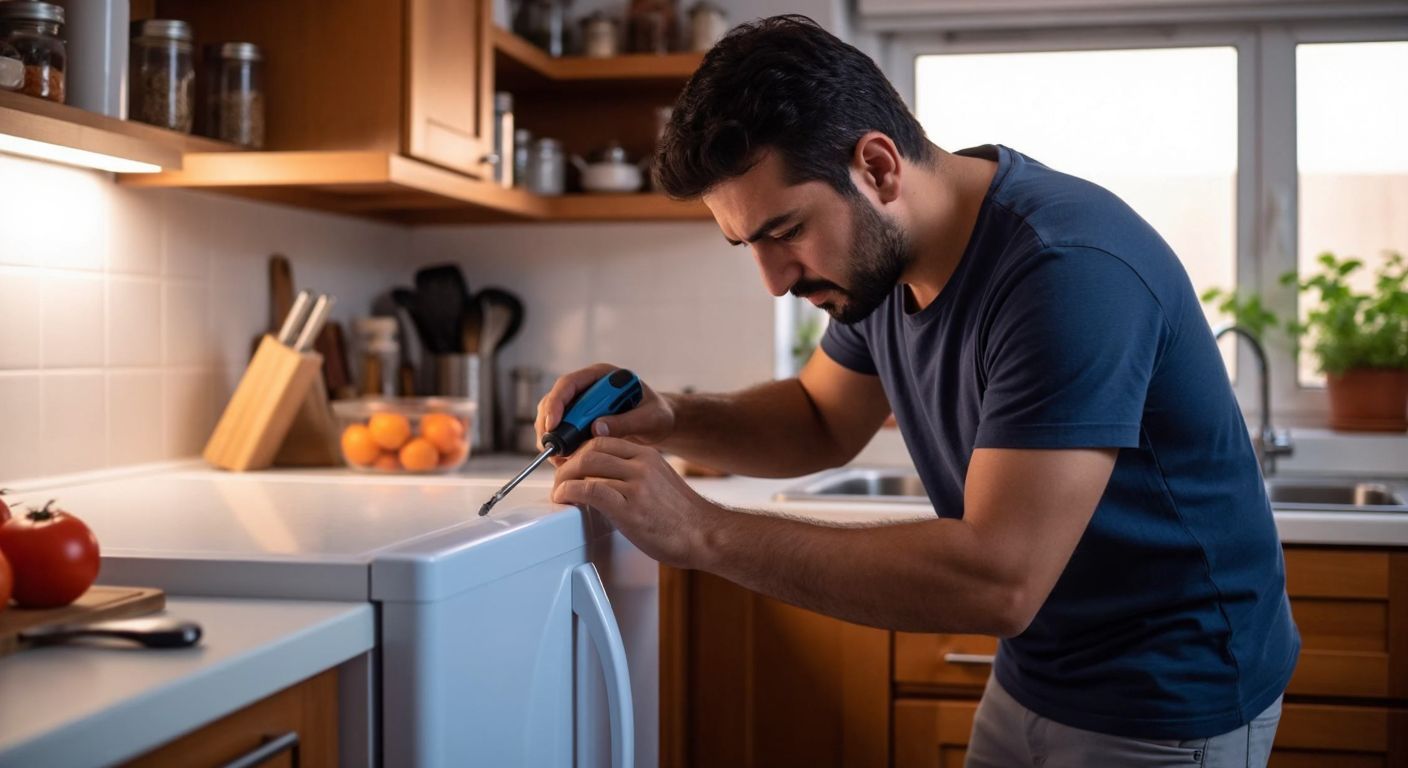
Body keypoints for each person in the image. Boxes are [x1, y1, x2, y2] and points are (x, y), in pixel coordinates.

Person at [536, 15, 1298, 767]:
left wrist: (700, 530)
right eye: (748, 246)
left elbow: (998, 578)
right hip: (1037, 676)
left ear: (877, 167)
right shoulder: (883, 267)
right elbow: (816, 419)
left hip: (1167, 700)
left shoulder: (1066, 271)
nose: (774, 280)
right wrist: (668, 416)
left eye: (786, 231)